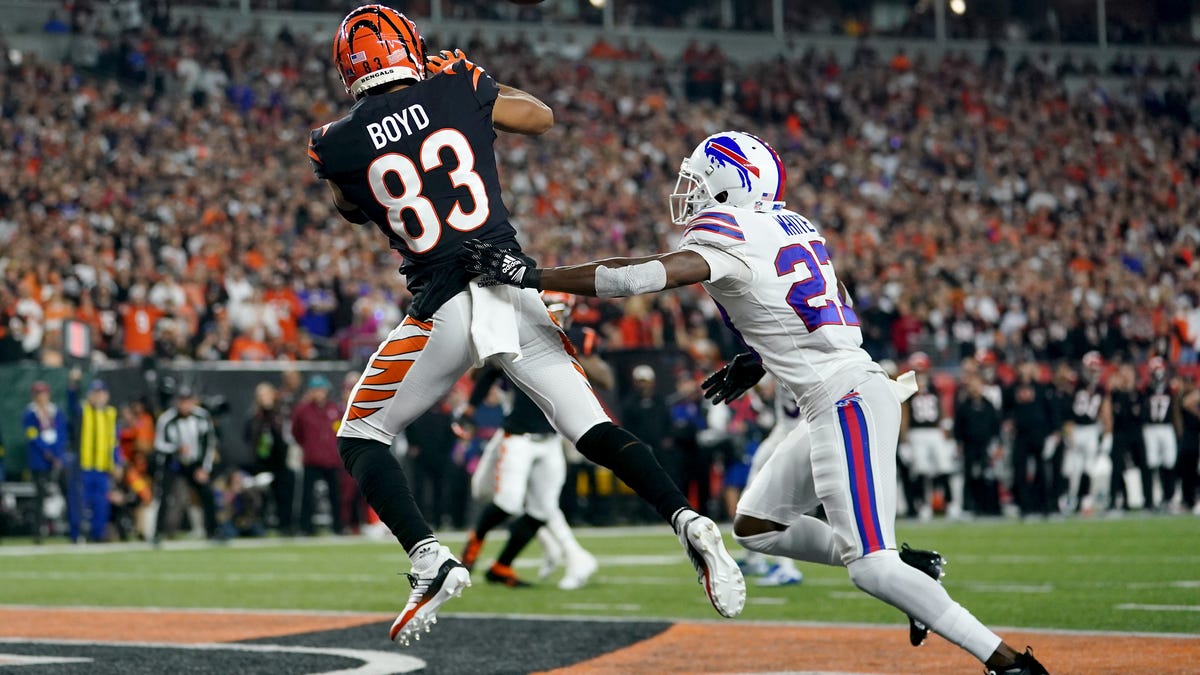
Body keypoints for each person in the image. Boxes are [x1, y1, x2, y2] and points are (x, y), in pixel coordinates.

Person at [465, 130, 1049, 674]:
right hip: (842, 388)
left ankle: (1008, 662)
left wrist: (533, 274)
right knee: (757, 526)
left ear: (727, 183)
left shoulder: (727, 231)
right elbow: (822, 307)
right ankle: (911, 571)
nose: (689, 192)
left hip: (845, 396)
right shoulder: (796, 224)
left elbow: (641, 277)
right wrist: (760, 356)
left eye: (699, 179)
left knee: (872, 566)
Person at [308, 6, 742, 644]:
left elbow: (350, 205)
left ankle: (429, 556)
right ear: (413, 48)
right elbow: (539, 117)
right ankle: (684, 518)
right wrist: (476, 82)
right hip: (513, 285)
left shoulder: (332, 142)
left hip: (445, 302)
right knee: (593, 427)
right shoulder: (456, 85)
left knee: (362, 434)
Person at [460, 292, 600, 591]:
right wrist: (471, 409)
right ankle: (473, 546)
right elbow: (484, 373)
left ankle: (501, 566)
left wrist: (572, 352)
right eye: (547, 308)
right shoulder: (519, 336)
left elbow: (605, 376)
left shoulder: (578, 338)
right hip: (519, 436)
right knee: (508, 502)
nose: (551, 314)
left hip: (551, 438)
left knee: (540, 510)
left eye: (557, 309)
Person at [152, 385, 219, 544]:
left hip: (195, 463)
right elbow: (159, 444)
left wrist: (204, 468)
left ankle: (213, 531)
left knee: (207, 493)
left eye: (187, 401)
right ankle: (157, 532)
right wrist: (175, 449)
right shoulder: (166, 419)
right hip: (174, 462)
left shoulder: (202, 417)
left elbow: (209, 444)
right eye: (181, 401)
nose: (184, 405)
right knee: (165, 495)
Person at [68, 373, 121, 542]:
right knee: (80, 503)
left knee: (101, 504)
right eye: (95, 393)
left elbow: (113, 442)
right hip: (84, 465)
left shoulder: (111, 414)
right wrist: (74, 384)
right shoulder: (83, 410)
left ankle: (98, 535)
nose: (98, 396)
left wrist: (117, 462)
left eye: (101, 393)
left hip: (102, 467)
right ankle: (77, 535)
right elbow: (71, 403)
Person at [292, 375, 345, 536]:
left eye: (321, 389)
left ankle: (338, 526)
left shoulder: (335, 409)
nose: (319, 393)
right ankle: (305, 527)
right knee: (307, 495)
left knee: (336, 494)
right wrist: (309, 447)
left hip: (331, 459)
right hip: (312, 459)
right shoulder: (302, 410)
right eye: (315, 390)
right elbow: (296, 432)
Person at [244, 382, 294, 535]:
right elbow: (248, 437)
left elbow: (286, 436)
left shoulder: (281, 414)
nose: (264, 398)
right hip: (262, 462)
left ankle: (285, 526)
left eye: (266, 394)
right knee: (262, 497)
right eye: (261, 396)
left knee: (283, 495)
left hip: (280, 461)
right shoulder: (254, 417)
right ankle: (261, 526)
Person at [23, 380, 69, 543]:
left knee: (68, 491)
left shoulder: (55, 411)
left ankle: (74, 529)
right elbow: (32, 436)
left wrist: (57, 455)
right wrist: (48, 453)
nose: (41, 397)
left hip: (57, 458)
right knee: (40, 496)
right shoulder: (30, 413)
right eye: (38, 394)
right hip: (39, 460)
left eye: (43, 393)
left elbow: (62, 433)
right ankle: (38, 532)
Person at [1140, 357, 1180, 511]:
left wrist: (1177, 429)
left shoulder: (1171, 389)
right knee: (1151, 463)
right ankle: (1150, 499)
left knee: (1169, 462)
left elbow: (1175, 409)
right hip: (1151, 427)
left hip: (1166, 427)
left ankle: (1169, 497)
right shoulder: (1146, 389)